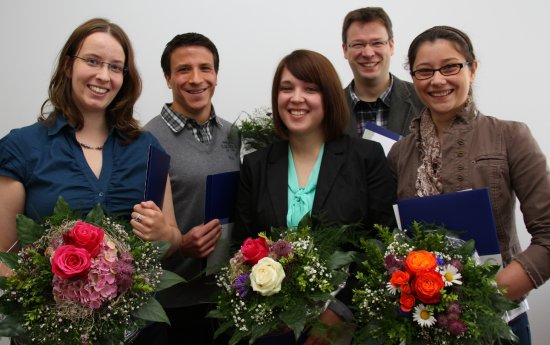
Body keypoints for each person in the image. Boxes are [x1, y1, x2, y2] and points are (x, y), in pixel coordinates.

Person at [387, 25, 550, 345]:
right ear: (414, 78)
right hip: (422, 325)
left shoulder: (510, 136)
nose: (437, 80)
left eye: (450, 66)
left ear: (472, 69)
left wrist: (484, 297)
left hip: (498, 321)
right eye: (424, 71)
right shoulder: (399, 153)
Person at [234, 49, 396, 345]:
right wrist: (271, 307)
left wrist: (338, 312)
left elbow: (382, 243)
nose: (297, 98)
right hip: (275, 329)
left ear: (329, 97)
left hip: (349, 328)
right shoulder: (256, 165)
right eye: (287, 88)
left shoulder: (365, 157)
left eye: (310, 89)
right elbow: (242, 246)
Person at [0, 18, 181, 278]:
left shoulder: (148, 147)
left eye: (116, 67)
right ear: (67, 65)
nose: (104, 76)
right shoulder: (20, 148)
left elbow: (173, 238)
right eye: (92, 61)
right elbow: (5, 256)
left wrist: (165, 234)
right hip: (54, 316)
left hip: (139, 318)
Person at [133, 33, 240, 345]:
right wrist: (179, 243)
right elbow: (139, 227)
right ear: (167, 78)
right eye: (183, 70)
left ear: (216, 75)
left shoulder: (234, 134)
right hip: (173, 304)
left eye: (205, 68)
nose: (196, 79)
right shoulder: (146, 140)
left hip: (230, 297)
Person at [341, 7, 424, 137]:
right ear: (345, 50)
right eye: (358, 44)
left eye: (377, 43)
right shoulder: (329, 108)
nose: (368, 53)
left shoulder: (423, 100)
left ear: (391, 46)